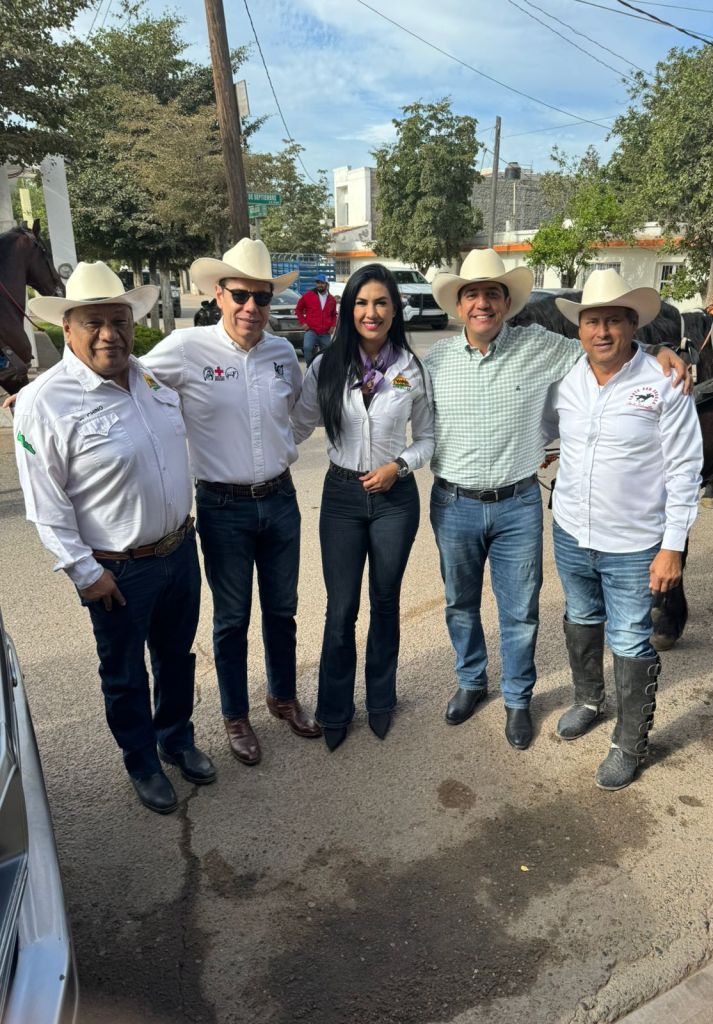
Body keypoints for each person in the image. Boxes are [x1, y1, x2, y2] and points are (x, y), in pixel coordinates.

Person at [425, 249, 690, 752]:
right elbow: (412, 419)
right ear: (459, 305)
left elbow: (609, 348)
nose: (482, 304)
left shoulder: (543, 345)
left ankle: (517, 699)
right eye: (472, 294)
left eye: (492, 294)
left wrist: (659, 352)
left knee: (520, 610)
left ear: (507, 303)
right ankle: (471, 680)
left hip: (518, 504)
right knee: (460, 603)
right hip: (454, 503)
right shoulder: (435, 361)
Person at [15, 262, 215, 815]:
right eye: (94, 323)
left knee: (175, 658)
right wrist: (85, 573)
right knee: (125, 674)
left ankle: (176, 739)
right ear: (67, 329)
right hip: (117, 570)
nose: (110, 334)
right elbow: (45, 503)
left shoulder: (148, 378)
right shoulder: (44, 401)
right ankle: (142, 762)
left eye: (119, 321)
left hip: (179, 551)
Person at [142, 238, 321, 766]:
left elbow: (296, 414)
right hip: (223, 507)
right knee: (232, 618)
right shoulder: (185, 348)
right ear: (218, 294)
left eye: (261, 297)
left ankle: (282, 696)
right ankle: (235, 715)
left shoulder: (281, 353)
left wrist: (283, 444)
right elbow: (122, 376)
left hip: (281, 500)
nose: (251, 308)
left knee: (283, 610)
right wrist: (41, 393)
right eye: (240, 295)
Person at [543, 269, 702, 789]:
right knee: (581, 617)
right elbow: (544, 430)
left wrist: (672, 547)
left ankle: (630, 743)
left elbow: (685, 469)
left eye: (614, 321)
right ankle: (589, 699)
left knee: (632, 638)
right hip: (571, 530)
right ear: (579, 328)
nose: (602, 331)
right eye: (593, 321)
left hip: (635, 543)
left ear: (634, 326)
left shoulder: (664, 382)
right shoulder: (568, 378)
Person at [291, 264, 434, 751]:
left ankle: (380, 699)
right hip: (342, 498)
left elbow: (428, 438)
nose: (371, 313)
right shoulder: (326, 366)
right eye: (361, 303)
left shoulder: (411, 369)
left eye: (381, 303)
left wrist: (400, 465)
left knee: (386, 602)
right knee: (341, 608)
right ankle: (334, 708)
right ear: (348, 310)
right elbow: (296, 427)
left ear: (395, 310)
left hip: (395, 499)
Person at [296, 273, 337, 365]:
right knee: (307, 348)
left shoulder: (332, 299)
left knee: (326, 354)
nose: (319, 285)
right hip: (311, 330)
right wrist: (303, 322)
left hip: (325, 332)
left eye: (322, 283)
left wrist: (333, 326)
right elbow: (298, 309)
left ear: (327, 284)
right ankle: (310, 367)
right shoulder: (308, 295)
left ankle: (322, 369)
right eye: (318, 282)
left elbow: (334, 314)